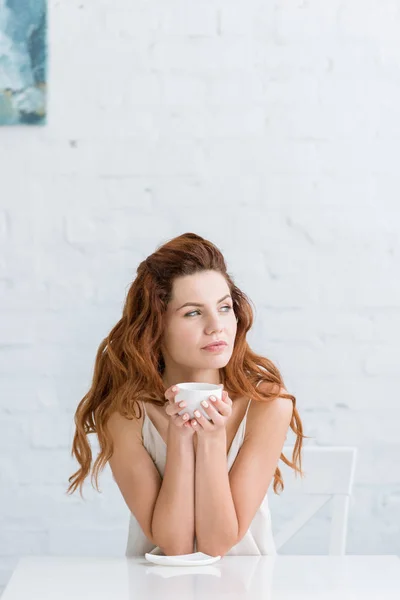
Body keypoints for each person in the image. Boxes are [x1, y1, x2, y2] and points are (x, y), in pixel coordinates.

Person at [67, 232, 308, 557]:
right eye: (193, 313)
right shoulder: (126, 413)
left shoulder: (266, 405)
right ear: (155, 326)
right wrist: (181, 441)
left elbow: (217, 544)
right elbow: (174, 545)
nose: (216, 326)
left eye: (224, 308)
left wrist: (211, 439)